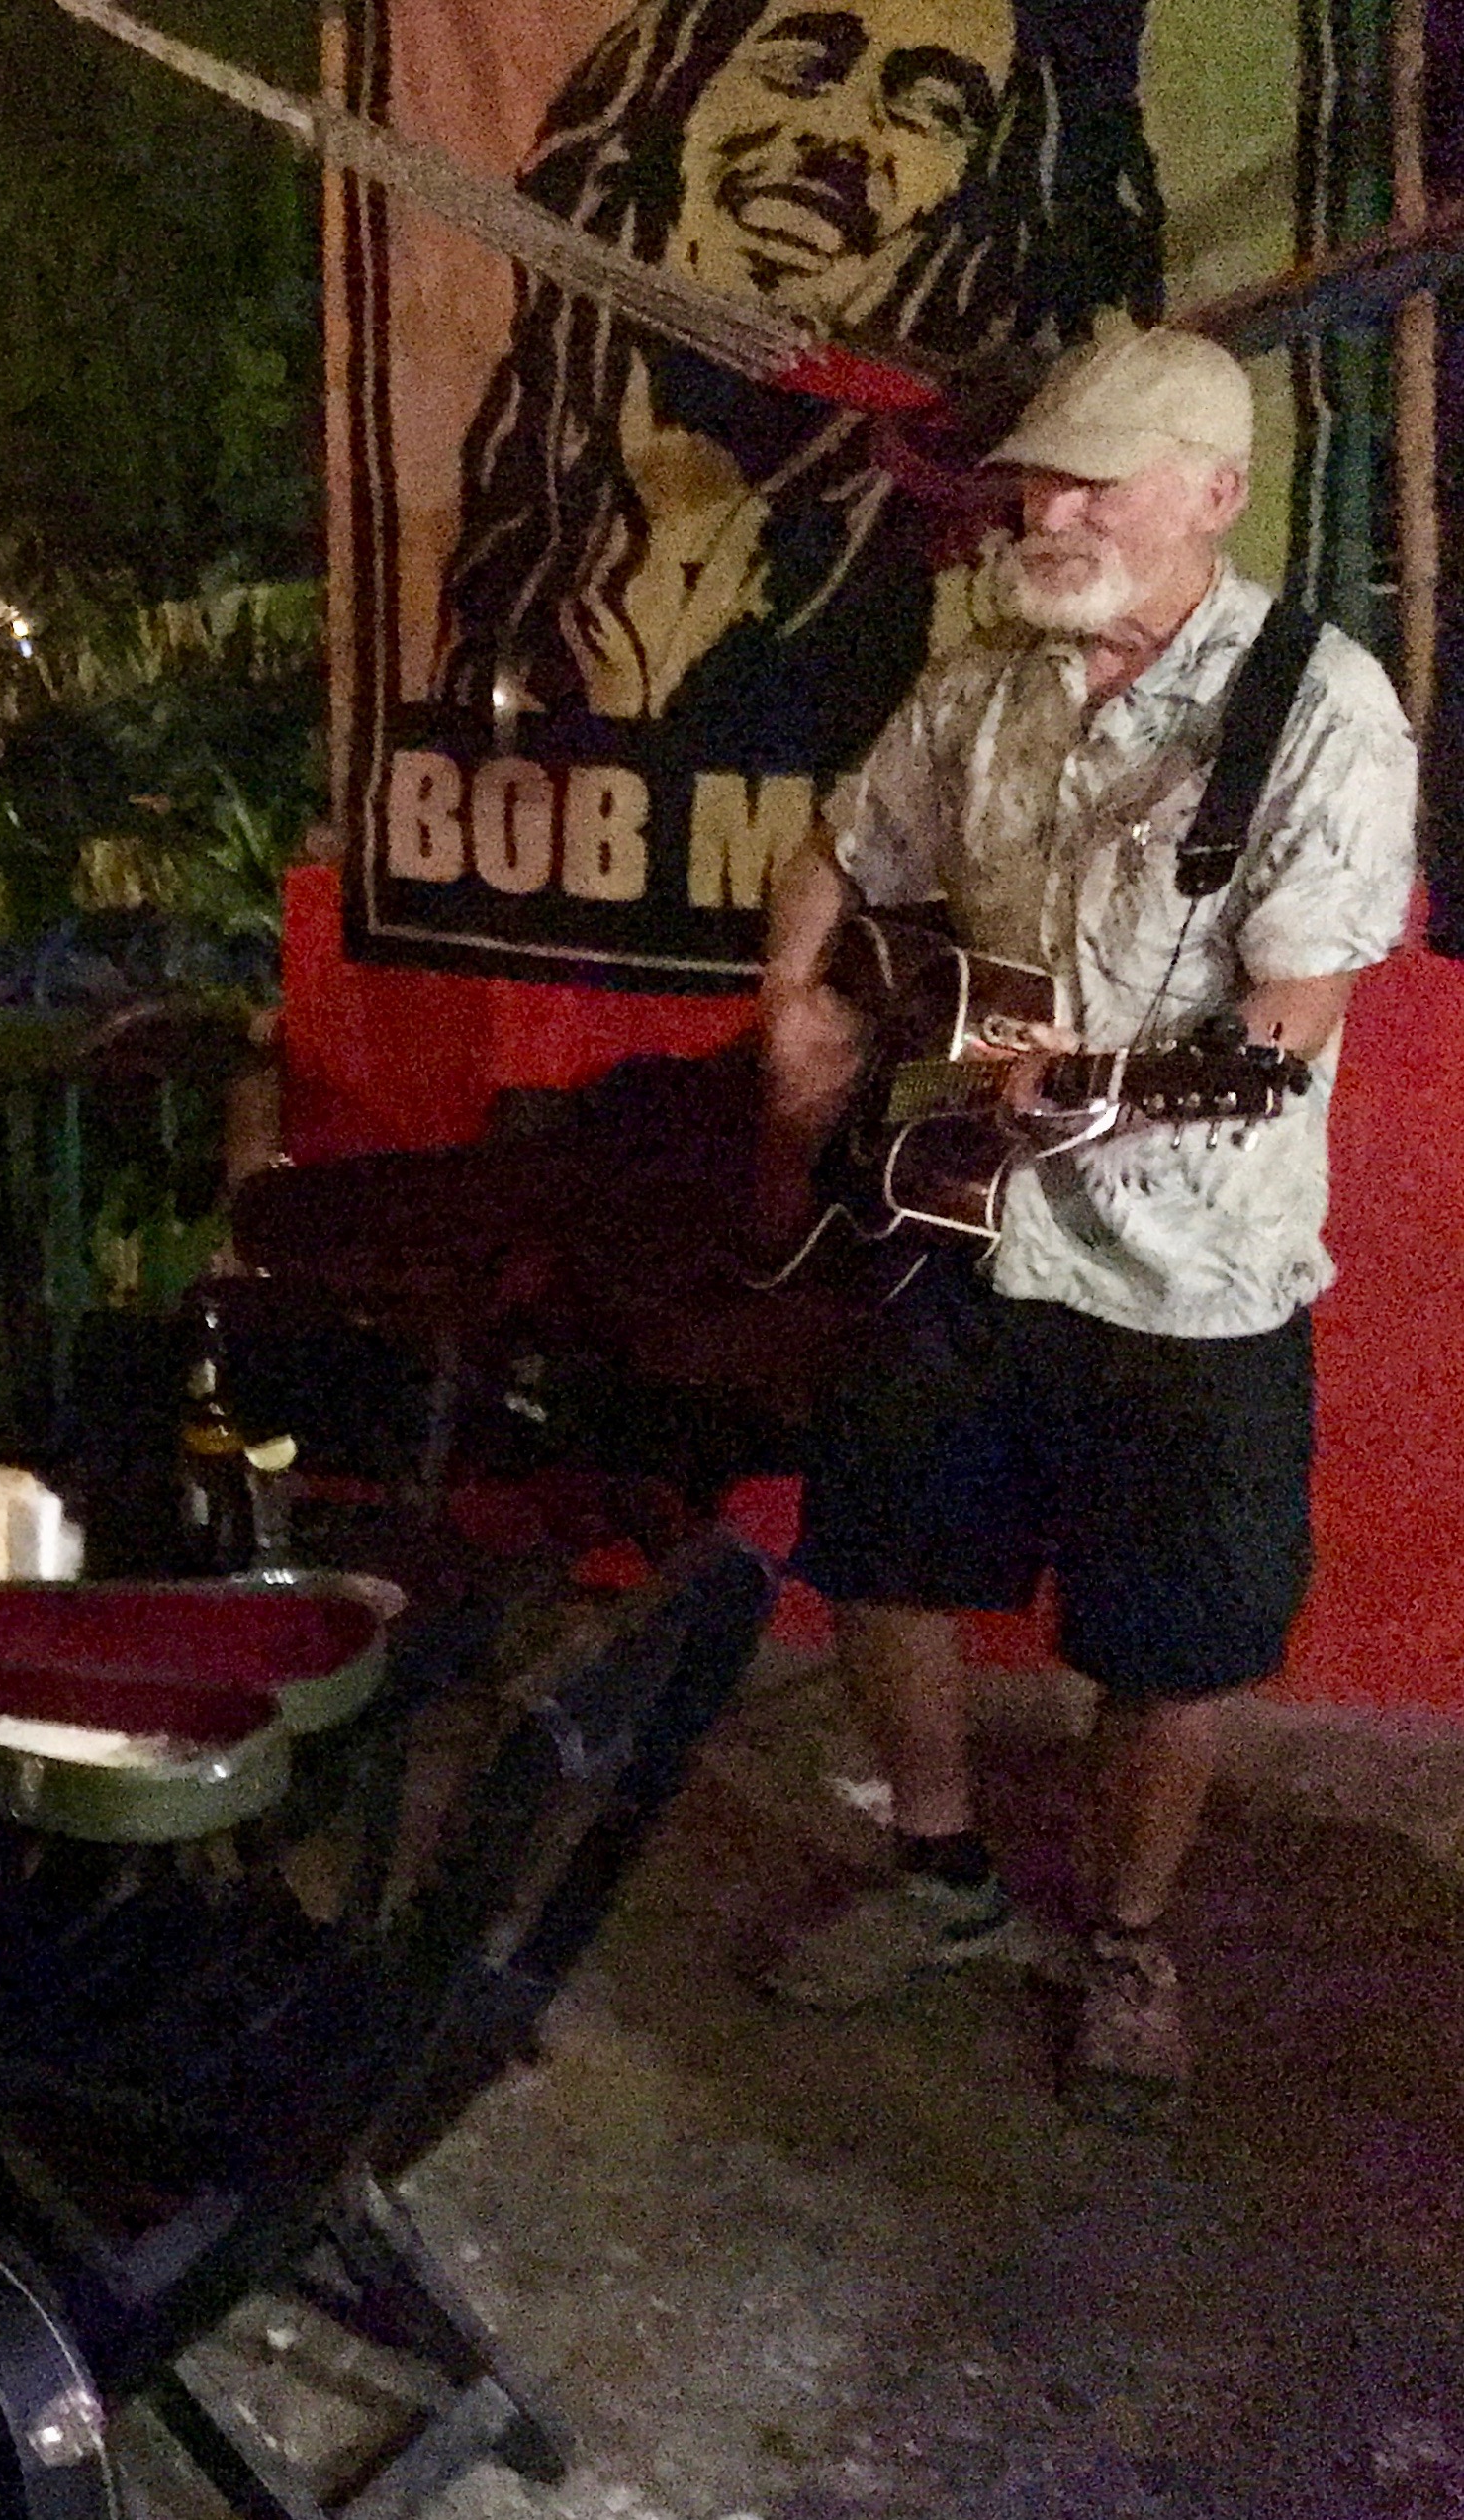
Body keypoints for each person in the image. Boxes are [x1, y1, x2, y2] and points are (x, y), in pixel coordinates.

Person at [751, 326, 1417, 2121]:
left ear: (1210, 494)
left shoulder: (1315, 705)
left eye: (1091, 481)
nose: (1041, 509)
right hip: (954, 1215)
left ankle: (1123, 1935)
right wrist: (794, 1007)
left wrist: (1105, 1089)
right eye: (1032, 477)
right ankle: (938, 1879)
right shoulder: (979, 683)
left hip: (1183, 1256)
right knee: (877, 1548)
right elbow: (837, 851)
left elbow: (1283, 1022)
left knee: (1166, 1635)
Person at [439, 0, 1164, 754]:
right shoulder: (541, 495)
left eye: (933, 111)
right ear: (676, 102)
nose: (840, 135)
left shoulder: (976, 546)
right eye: (796, 68)